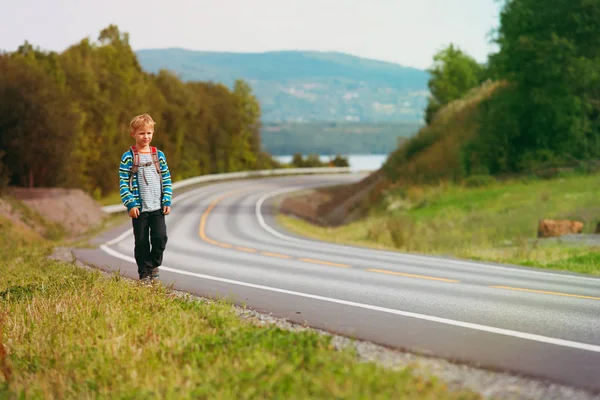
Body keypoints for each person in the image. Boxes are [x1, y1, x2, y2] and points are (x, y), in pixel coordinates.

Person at [119, 113, 172, 282]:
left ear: (153, 133)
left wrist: (167, 200)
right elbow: (123, 182)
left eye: (149, 133)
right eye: (142, 133)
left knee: (160, 238)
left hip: (157, 207)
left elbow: (167, 179)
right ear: (133, 134)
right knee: (141, 243)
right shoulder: (128, 157)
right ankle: (144, 274)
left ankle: (154, 265)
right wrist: (130, 204)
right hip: (139, 210)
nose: (146, 137)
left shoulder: (159, 156)